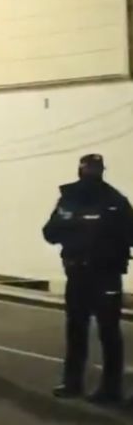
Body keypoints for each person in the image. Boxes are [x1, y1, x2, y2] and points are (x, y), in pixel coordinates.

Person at [43, 153, 133, 403]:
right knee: (76, 331)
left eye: (94, 169)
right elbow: (49, 232)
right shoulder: (69, 200)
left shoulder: (115, 201)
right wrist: (72, 229)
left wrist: (107, 243)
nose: (90, 173)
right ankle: (73, 383)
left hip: (106, 274)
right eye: (87, 169)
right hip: (77, 273)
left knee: (109, 333)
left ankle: (111, 389)